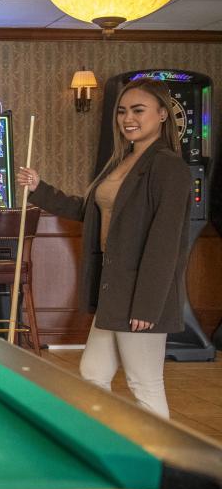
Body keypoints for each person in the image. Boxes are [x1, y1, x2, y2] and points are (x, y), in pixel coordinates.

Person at [17, 77, 191, 418]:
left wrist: (147, 305)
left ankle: (162, 465)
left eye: (139, 110)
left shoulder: (168, 166)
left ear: (162, 115)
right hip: (114, 291)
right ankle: (105, 447)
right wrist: (40, 188)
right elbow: (89, 211)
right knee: (93, 374)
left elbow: (165, 241)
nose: (128, 118)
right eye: (123, 111)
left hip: (141, 297)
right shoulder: (121, 161)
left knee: (145, 385)